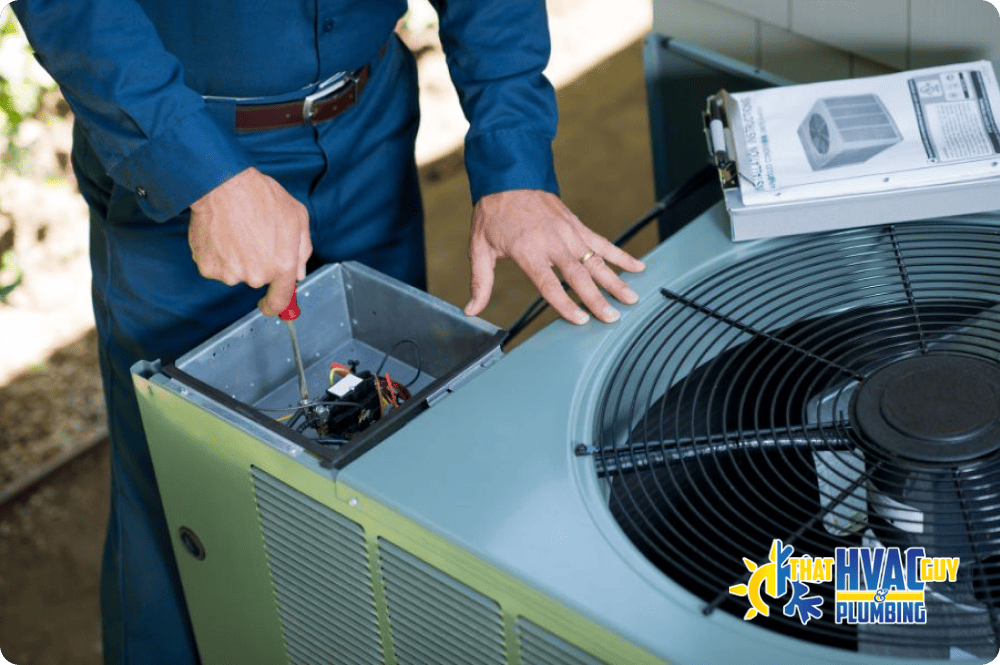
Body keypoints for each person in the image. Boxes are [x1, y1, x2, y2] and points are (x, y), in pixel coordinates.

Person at [10, 0, 645, 662]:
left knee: (387, 450)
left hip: (371, 127)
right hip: (192, 152)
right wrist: (202, 172)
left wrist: (514, 165)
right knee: (184, 501)